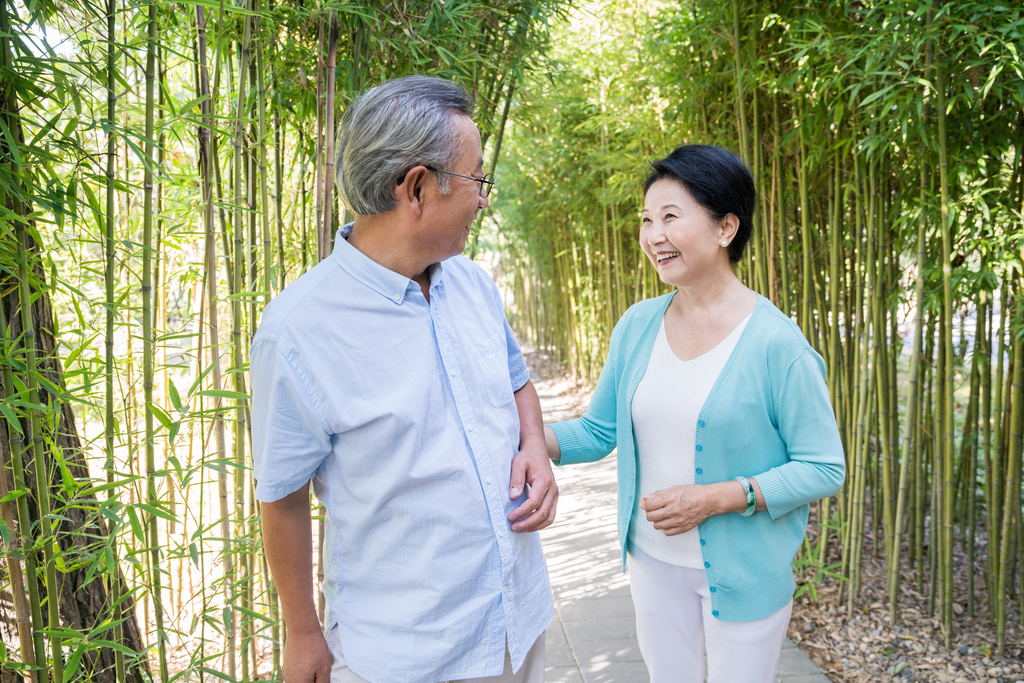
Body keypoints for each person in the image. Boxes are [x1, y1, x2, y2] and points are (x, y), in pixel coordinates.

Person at [251, 75, 557, 683]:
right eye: (476, 181)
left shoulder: (472, 283)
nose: (483, 200)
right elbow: (281, 495)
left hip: (518, 621)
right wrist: (303, 633)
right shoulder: (299, 331)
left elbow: (516, 380)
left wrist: (533, 446)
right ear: (416, 188)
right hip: (410, 654)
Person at [543, 144, 845, 683]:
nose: (653, 235)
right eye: (646, 219)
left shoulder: (778, 344)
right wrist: (522, 436)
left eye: (670, 217)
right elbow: (597, 430)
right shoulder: (636, 325)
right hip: (651, 561)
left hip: (745, 572)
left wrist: (714, 499)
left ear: (726, 227)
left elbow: (823, 466)